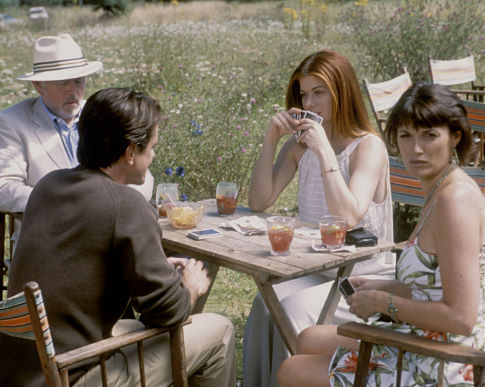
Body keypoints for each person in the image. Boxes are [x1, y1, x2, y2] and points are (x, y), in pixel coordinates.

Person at [0, 88, 235, 387]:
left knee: (135, 326)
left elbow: (83, 265)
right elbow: (167, 312)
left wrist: (155, 268)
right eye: (151, 147)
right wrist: (190, 287)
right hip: (70, 373)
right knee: (220, 330)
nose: (153, 155)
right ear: (130, 153)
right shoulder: (125, 204)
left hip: (22, 370)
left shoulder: (48, 186)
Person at [277, 82, 485, 386]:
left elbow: (462, 317)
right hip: (430, 340)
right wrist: (387, 285)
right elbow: (440, 283)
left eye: (429, 135)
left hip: (444, 363)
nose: (416, 149)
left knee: (291, 371)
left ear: (455, 136)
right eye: (405, 136)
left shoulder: (455, 201)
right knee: (308, 338)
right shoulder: (443, 188)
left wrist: (383, 302)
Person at [243, 49, 395, 387]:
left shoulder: (368, 147)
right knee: (263, 303)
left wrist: (325, 149)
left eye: (319, 92)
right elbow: (258, 201)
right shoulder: (299, 146)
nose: (309, 103)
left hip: (361, 275)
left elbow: (349, 217)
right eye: (303, 94)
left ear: (341, 93)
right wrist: (271, 139)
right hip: (313, 267)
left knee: (292, 309)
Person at [0, 33, 154, 243]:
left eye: (79, 81)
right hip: (49, 241)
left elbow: (141, 170)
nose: (74, 91)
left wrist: (120, 204)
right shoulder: (12, 121)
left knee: (191, 258)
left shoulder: (100, 113)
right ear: (38, 85)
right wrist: (72, 203)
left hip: (114, 231)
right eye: (63, 82)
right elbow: (3, 189)